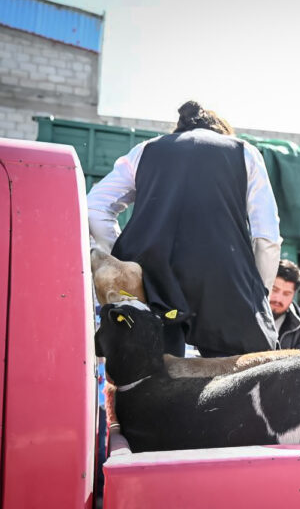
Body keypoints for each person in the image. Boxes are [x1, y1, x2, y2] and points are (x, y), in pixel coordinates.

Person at [88, 101, 281, 357]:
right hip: (224, 279)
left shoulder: (144, 150)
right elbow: (267, 237)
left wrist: (126, 261)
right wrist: (258, 292)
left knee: (148, 380)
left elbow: (94, 207)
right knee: (244, 376)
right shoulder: (243, 152)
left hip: (152, 281)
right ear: (221, 132)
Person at [269, 259, 300, 350]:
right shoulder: (245, 315)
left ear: (294, 295)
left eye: (286, 294)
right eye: (274, 290)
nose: (278, 298)